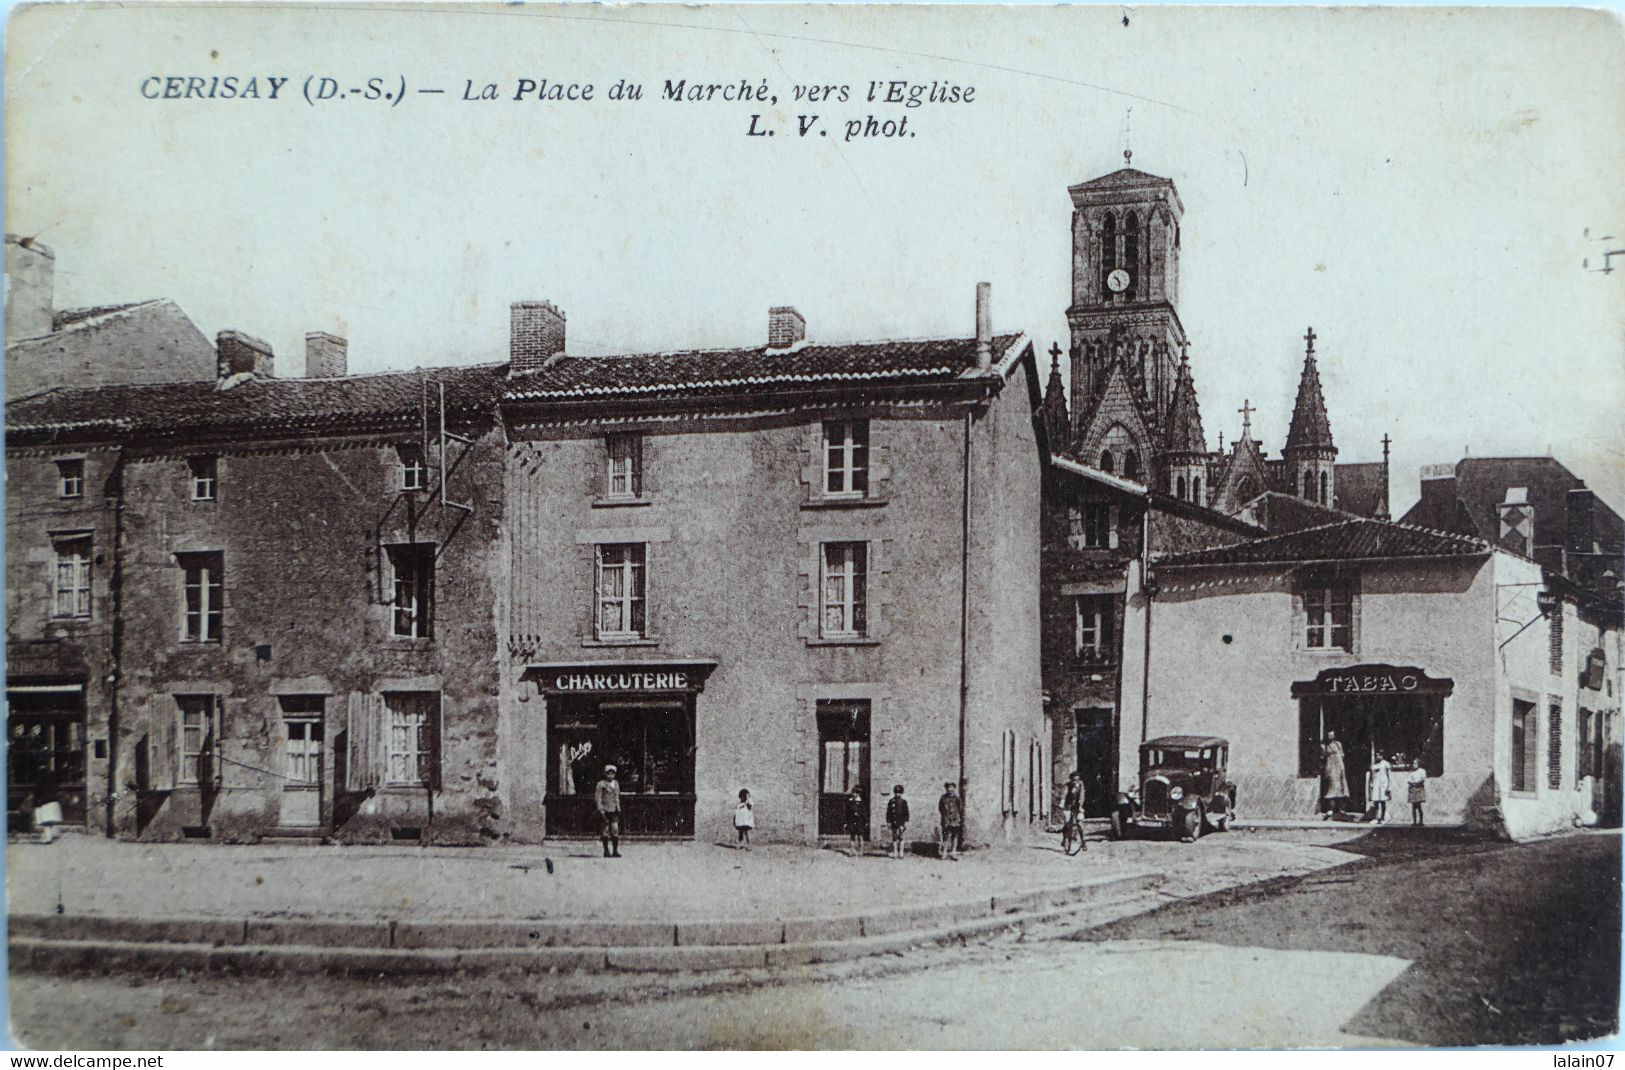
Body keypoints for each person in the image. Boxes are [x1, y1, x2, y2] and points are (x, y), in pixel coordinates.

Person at [595, 764, 622, 857]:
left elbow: (617, 796)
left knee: (615, 829)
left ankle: (615, 850)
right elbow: (598, 798)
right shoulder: (601, 784)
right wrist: (600, 809)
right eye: (608, 773)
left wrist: (618, 807)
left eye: (612, 773)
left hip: (614, 809)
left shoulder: (616, 783)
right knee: (605, 830)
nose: (610, 776)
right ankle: (606, 851)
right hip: (605, 810)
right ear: (605, 774)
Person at [1320, 731, 1348, 818]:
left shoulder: (1338, 744)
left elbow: (1342, 755)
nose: (1330, 737)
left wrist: (1341, 767)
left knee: (1340, 787)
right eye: (1328, 735)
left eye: (1331, 735)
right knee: (1331, 788)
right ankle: (1330, 809)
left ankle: (1341, 809)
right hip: (1330, 767)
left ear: (1334, 736)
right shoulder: (1325, 746)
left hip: (1338, 767)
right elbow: (1323, 757)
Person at [937, 781, 963, 860]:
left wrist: (956, 816)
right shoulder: (943, 798)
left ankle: (953, 853)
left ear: (954, 788)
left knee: (954, 836)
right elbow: (940, 808)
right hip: (946, 820)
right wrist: (945, 816)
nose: (950, 789)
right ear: (946, 789)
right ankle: (944, 852)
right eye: (948, 788)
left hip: (955, 820)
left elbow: (960, 808)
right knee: (946, 836)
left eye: (951, 787)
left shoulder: (957, 798)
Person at [1061, 772, 1087, 851]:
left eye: (1077, 780)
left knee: (1080, 824)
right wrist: (1062, 802)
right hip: (1068, 806)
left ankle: (1083, 843)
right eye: (1073, 780)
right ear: (1070, 780)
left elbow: (1082, 796)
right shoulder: (1067, 785)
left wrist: (1080, 806)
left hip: (1077, 806)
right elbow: (1064, 794)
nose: (1075, 782)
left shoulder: (1081, 785)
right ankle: (1064, 839)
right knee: (1067, 823)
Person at [885, 784, 910, 859]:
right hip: (894, 822)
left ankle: (901, 852)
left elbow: (906, 813)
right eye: (896, 792)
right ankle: (895, 851)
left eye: (899, 793)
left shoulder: (904, 802)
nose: (897, 794)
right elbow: (888, 812)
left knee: (901, 837)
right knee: (894, 837)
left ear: (901, 793)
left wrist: (905, 822)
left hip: (901, 822)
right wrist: (888, 821)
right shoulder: (891, 801)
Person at [1367, 752, 1393, 824]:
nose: (1378, 757)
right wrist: (1371, 783)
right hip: (1376, 784)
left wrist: (1388, 786)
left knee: (1383, 801)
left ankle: (1382, 817)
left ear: (1382, 756)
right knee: (1376, 801)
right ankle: (1377, 818)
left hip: (1383, 784)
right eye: (1377, 755)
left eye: (1379, 755)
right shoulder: (1374, 765)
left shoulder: (1385, 764)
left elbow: (1389, 775)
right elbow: (1372, 776)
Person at [845, 787, 866, 852]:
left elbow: (864, 812)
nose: (853, 794)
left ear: (858, 794)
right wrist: (846, 822)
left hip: (859, 821)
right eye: (853, 792)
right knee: (852, 835)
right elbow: (847, 812)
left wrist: (865, 821)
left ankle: (861, 850)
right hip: (852, 821)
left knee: (860, 835)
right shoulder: (850, 801)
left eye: (855, 793)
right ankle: (852, 849)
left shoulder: (861, 802)